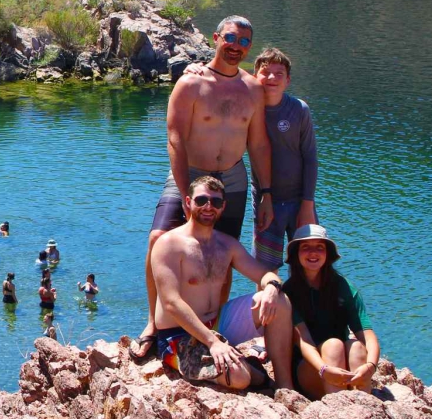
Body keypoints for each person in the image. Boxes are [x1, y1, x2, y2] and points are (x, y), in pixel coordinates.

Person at [134, 15, 274, 362]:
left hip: (232, 177)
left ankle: (213, 323)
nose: (235, 46)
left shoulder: (253, 89)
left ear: (249, 48)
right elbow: (175, 138)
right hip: (190, 174)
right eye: (230, 38)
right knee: (157, 240)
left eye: (244, 42)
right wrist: (184, 191)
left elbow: (258, 145)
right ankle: (153, 323)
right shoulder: (191, 83)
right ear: (215, 38)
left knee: (223, 254)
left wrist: (266, 193)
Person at [149, 175, 294, 391]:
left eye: (215, 202)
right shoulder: (169, 244)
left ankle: (285, 387)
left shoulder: (227, 245)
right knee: (239, 378)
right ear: (188, 202)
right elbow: (171, 302)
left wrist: (272, 287)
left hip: (218, 323)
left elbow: (265, 275)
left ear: (223, 207)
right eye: (201, 200)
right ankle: (255, 373)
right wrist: (212, 342)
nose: (209, 207)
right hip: (178, 336)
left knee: (280, 301)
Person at [283, 225, 379, 398]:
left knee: (356, 347)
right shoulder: (289, 292)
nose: (313, 253)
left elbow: (367, 335)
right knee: (333, 345)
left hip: (341, 366)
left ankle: (363, 405)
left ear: (328, 254)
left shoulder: (343, 287)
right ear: (296, 254)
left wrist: (371, 366)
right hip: (311, 368)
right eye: (306, 248)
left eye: (319, 247)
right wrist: (324, 369)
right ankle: (338, 409)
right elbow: (304, 341)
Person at [251, 49, 319, 269]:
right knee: (265, 269)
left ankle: (304, 305)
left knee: (308, 266)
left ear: (288, 80)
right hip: (265, 200)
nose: (271, 78)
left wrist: (307, 205)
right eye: (265, 72)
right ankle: (269, 304)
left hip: (300, 200)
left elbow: (310, 157)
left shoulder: (299, 110)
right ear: (254, 76)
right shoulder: (248, 111)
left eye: (279, 74)